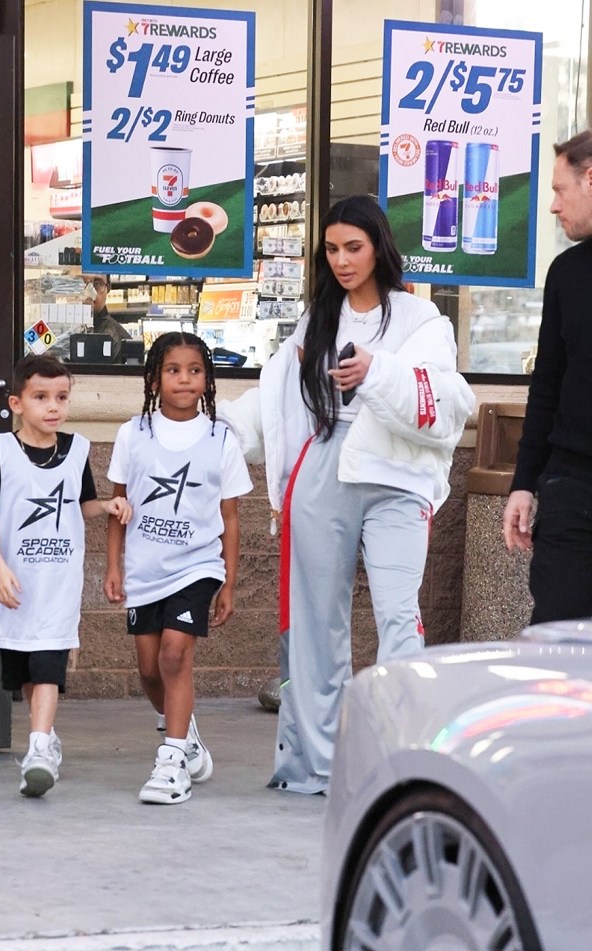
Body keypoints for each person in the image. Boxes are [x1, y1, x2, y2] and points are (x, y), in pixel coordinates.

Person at [218, 195, 474, 794]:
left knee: (397, 615)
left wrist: (375, 372)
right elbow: (279, 398)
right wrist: (221, 428)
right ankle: (323, 765)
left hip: (394, 479)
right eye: (331, 249)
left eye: (353, 247)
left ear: (379, 247)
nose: (341, 260)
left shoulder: (421, 320)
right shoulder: (316, 320)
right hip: (323, 470)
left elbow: (444, 401)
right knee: (313, 624)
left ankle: (404, 759)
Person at [104, 332, 253, 805]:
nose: (185, 379)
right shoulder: (134, 433)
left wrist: (228, 581)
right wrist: (114, 567)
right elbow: (118, 506)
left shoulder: (220, 438)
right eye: (173, 370)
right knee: (149, 670)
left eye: (194, 370)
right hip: (146, 568)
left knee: (174, 654)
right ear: (153, 378)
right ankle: (185, 735)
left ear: (207, 379)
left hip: (198, 565)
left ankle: (171, 762)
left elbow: (230, 517)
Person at [0, 354, 132, 797]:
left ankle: (40, 747)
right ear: (17, 403)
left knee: (48, 662)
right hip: (16, 581)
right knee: (25, 666)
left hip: (59, 580)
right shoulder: (2, 450)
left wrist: (105, 506)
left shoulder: (77, 449)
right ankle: (45, 737)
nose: (53, 406)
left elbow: (80, 502)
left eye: (61, 397)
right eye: (41, 397)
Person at [503, 130, 592, 623]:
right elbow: (547, 386)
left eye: (560, 190)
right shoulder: (566, 272)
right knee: (559, 633)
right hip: (572, 484)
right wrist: (524, 484)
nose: (554, 207)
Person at [82, 274, 131, 363]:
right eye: (80, 283)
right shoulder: (55, 329)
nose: (88, 293)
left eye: (97, 284)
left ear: (108, 288)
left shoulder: (119, 339)